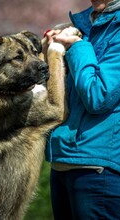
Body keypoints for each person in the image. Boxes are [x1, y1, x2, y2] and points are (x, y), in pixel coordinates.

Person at [44, 0, 120, 219]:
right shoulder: (82, 24)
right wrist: (51, 52)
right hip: (62, 164)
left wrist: (75, 45)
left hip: (100, 171)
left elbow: (98, 95)